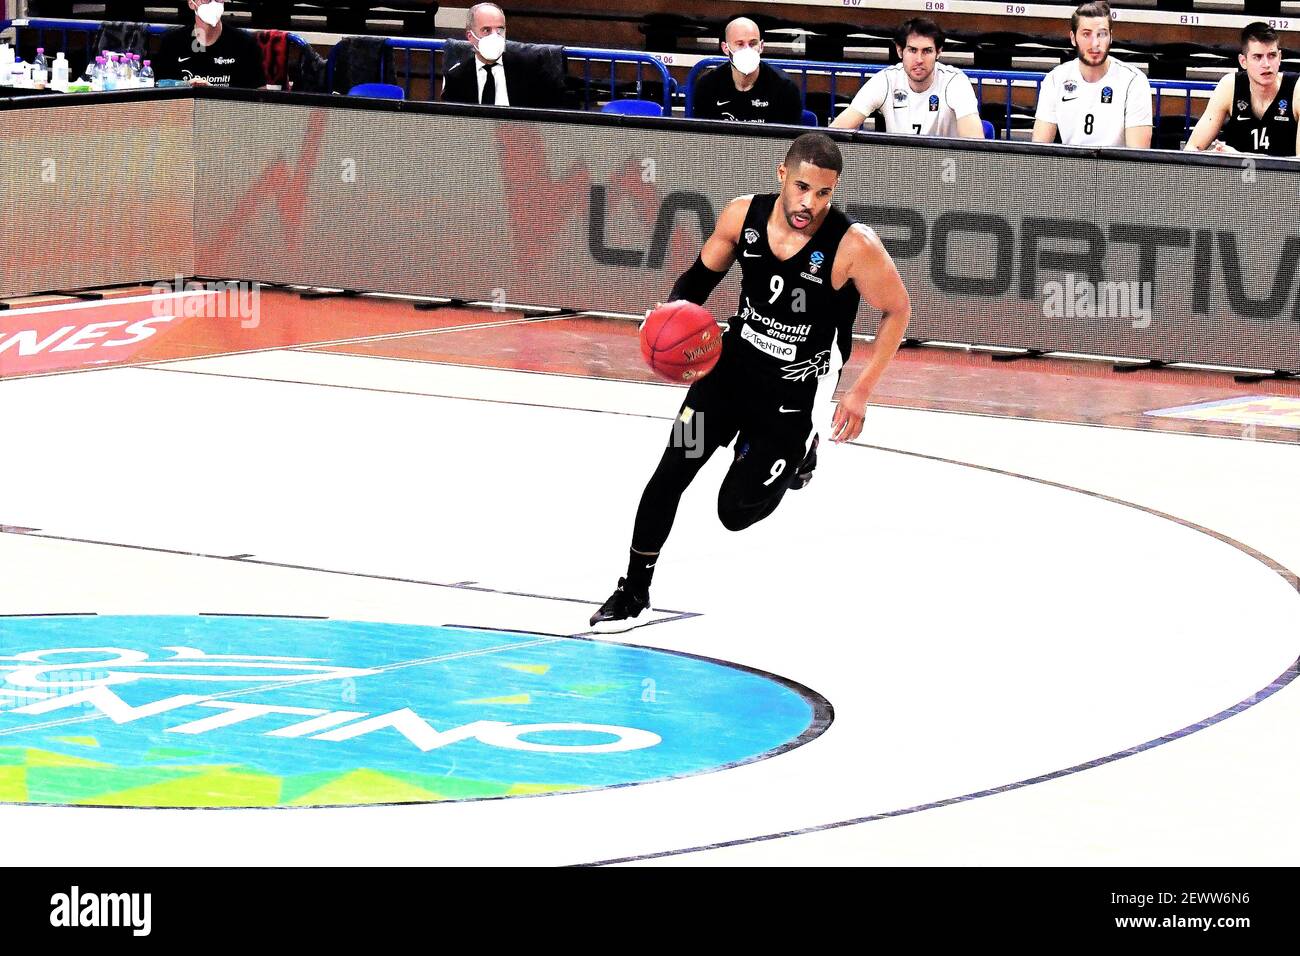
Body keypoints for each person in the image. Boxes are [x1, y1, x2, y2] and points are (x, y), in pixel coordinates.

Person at [589, 133, 912, 631]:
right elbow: (699, 278)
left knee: (734, 512)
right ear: (782, 175)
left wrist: (862, 388)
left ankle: (799, 452)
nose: (810, 203)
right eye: (802, 187)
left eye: (824, 193)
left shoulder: (853, 246)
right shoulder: (743, 216)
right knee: (669, 474)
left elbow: (897, 309)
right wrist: (668, 315)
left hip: (792, 390)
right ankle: (633, 589)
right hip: (730, 370)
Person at [830, 18, 983, 138]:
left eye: (927, 51)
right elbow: (836, 132)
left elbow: (975, 142)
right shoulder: (886, 80)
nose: (919, 59)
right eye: (912, 50)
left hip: (946, 171)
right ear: (899, 51)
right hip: (901, 169)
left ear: (939, 52)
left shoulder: (955, 82)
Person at [1032, 1, 1151, 148]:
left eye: (1101, 34)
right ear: (1073, 38)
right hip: (1071, 168)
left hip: (1117, 169)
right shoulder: (1055, 79)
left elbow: (1137, 154)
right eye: (1086, 34)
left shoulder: (1134, 81)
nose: (1095, 43)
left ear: (1111, 37)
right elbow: (1038, 147)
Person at [1184, 22, 1298, 156]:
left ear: (1280, 57)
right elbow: (1192, 148)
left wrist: (1240, 156)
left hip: (1284, 177)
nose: (1266, 64)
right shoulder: (1229, 86)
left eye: (1272, 55)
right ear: (1243, 61)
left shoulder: (1297, 89)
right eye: (1258, 57)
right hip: (1237, 176)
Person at [441, 3, 566, 108]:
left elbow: (550, 117)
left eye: (500, 30)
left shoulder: (530, 67)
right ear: (470, 37)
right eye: (486, 30)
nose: (495, 36)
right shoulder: (456, 78)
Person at [691, 17, 803, 125]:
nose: (747, 50)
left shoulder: (785, 88)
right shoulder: (707, 85)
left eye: (753, 43)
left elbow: (786, 140)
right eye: (740, 44)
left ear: (761, 46)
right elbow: (703, 138)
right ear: (725, 48)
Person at [154, 0, 266, 89]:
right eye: (206, 0)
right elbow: (158, 85)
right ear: (191, 4)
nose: (213, 4)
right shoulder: (172, 42)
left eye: (218, 0)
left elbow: (260, 94)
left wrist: (213, 93)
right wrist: (185, 86)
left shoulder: (245, 44)